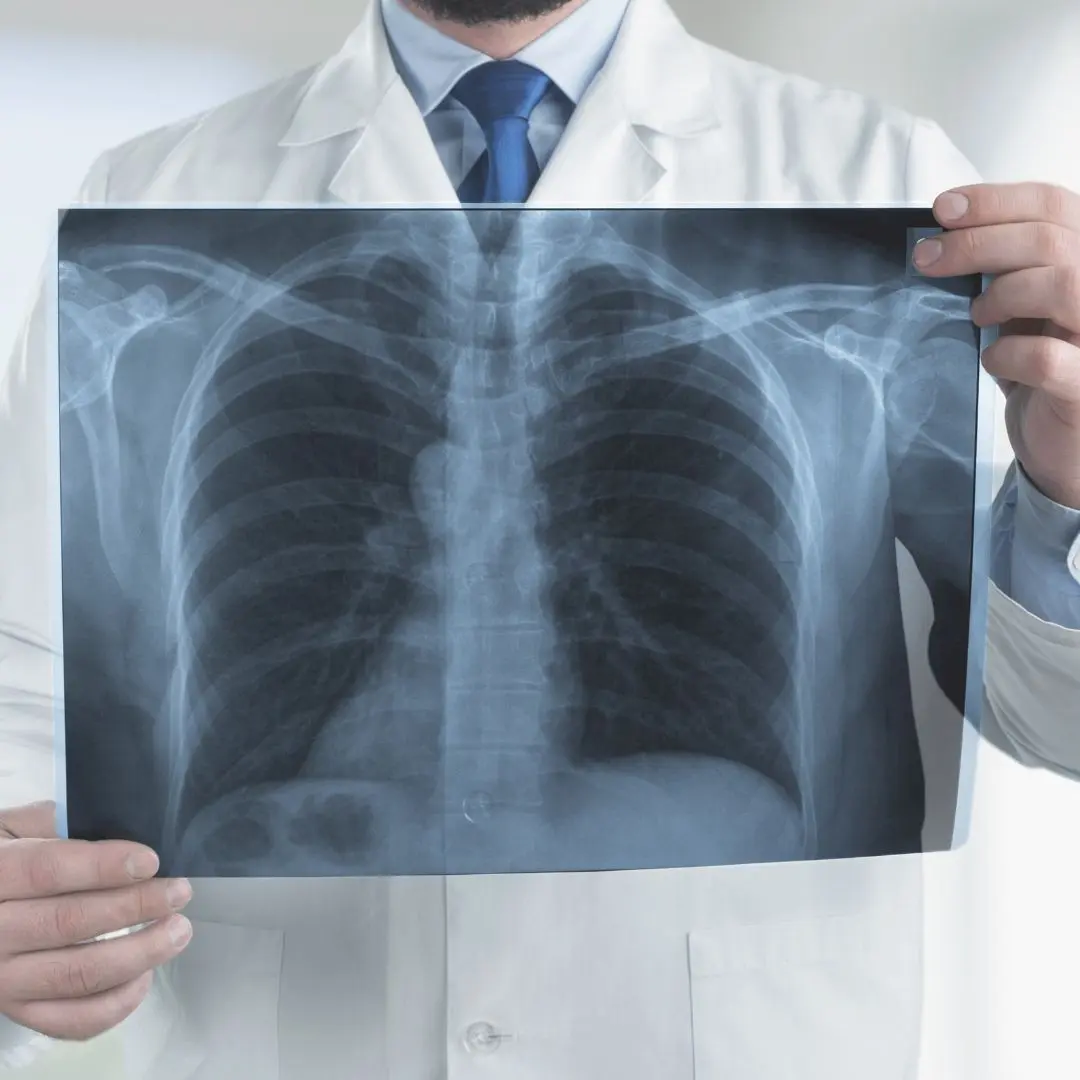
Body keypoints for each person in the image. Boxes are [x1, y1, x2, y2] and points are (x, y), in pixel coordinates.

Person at [1, 0, 1079, 1075]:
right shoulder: (143, 194)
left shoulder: (883, 174)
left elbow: (1053, 721)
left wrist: (1065, 482)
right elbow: (26, 705)